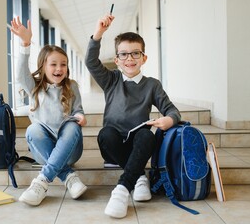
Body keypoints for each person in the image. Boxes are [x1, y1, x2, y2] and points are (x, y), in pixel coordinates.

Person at [85, 14, 181, 218]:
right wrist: (99, 33)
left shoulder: (152, 85)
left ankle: (121, 190)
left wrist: (168, 120)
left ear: (144, 58)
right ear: (116, 60)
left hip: (139, 144)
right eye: (124, 54)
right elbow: (91, 62)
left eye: (135, 53)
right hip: (113, 146)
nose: (130, 59)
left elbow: (172, 110)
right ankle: (138, 176)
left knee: (148, 135)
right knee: (105, 134)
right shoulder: (110, 80)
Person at [9, 16, 88, 206]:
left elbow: (78, 109)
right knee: (32, 130)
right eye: (53, 64)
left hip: (70, 149)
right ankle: (68, 177)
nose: (59, 68)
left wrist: (80, 116)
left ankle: (42, 181)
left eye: (63, 64)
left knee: (72, 127)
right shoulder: (34, 86)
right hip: (43, 151)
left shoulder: (72, 86)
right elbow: (20, 73)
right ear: (43, 66)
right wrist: (25, 44)